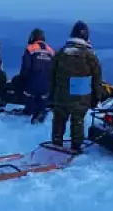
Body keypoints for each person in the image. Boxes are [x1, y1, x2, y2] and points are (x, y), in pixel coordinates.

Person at [50, 20, 103, 152]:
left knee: (59, 118)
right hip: (81, 91)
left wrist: (51, 94)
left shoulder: (61, 52)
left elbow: (52, 74)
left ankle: (56, 142)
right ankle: (76, 145)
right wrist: (98, 96)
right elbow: (97, 76)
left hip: (62, 91)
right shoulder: (89, 54)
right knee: (77, 119)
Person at [19, 28, 54, 123]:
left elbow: (25, 68)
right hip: (47, 84)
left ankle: (30, 110)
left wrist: (22, 81)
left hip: (33, 83)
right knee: (43, 96)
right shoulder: (50, 50)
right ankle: (41, 110)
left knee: (28, 93)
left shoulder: (30, 49)